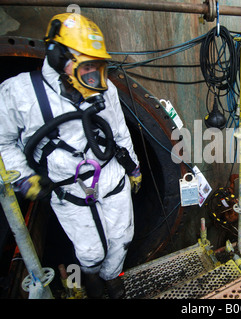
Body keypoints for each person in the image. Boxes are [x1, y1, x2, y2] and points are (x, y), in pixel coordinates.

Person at [0, 13, 142, 298]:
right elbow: (3, 144)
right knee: (91, 251)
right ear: (57, 56)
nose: (94, 75)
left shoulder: (105, 89)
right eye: (87, 66)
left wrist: (134, 169)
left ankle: (113, 282)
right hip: (68, 188)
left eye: (98, 67)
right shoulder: (19, 93)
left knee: (122, 238)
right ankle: (92, 281)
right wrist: (25, 179)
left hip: (110, 175)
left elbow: (119, 131)